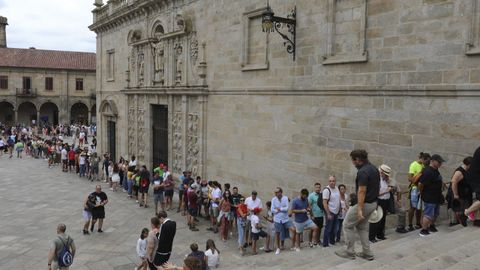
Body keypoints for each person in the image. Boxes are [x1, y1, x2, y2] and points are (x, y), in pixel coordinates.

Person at [335, 149, 380, 261]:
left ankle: (349, 251)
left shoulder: (363, 172)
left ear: (358, 160)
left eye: (353, 160)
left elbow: (362, 191)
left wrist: (359, 209)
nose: (353, 163)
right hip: (373, 203)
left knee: (347, 225)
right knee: (362, 227)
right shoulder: (374, 168)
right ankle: (367, 253)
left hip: (364, 204)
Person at [418, 154, 446, 237]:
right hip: (429, 196)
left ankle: (431, 226)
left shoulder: (435, 170)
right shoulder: (427, 171)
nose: (440, 164)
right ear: (432, 161)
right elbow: (420, 184)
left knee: (435, 213)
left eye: (441, 162)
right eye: (439, 162)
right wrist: (421, 193)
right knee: (428, 214)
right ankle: (424, 230)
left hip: (436, 196)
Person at [369, 165, 394, 242]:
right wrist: (387, 191)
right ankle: (371, 237)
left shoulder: (386, 180)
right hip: (379, 201)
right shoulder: (377, 180)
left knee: (383, 219)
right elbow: (375, 193)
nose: (386, 176)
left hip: (385, 202)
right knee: (376, 219)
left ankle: (380, 235)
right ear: (381, 173)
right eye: (385, 174)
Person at [407, 152, 431, 231]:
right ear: (422, 159)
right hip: (415, 188)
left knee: (419, 207)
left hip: (423, 188)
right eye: (426, 161)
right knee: (412, 207)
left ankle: (418, 223)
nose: (427, 163)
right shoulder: (413, 164)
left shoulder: (425, 165)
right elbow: (410, 178)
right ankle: (410, 224)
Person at [447, 156, 473, 226]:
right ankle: (454, 222)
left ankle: (460, 220)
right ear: (469, 164)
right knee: (457, 207)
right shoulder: (460, 171)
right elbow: (453, 182)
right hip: (457, 193)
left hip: (463, 193)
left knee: (462, 207)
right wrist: (455, 194)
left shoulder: (465, 170)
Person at [271, 187, 295, 255]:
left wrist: (279, 209)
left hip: (286, 219)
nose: (275, 193)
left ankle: (293, 245)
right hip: (277, 219)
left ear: (281, 192)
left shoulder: (285, 198)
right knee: (278, 233)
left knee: (293, 230)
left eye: (277, 192)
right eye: (275, 192)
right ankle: (278, 248)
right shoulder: (273, 199)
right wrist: (280, 210)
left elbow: (287, 208)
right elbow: (272, 209)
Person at [322, 176, 340, 247]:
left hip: (336, 212)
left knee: (334, 228)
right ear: (328, 181)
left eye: (333, 181)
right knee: (328, 228)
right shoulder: (326, 190)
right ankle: (325, 244)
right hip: (330, 212)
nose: (332, 182)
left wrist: (340, 210)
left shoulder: (336, 188)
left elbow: (338, 200)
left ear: (335, 181)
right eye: (330, 181)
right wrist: (328, 213)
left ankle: (332, 242)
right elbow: (324, 202)